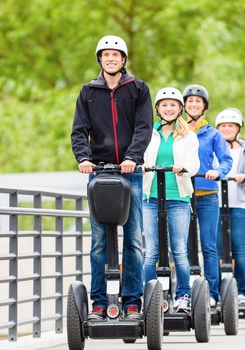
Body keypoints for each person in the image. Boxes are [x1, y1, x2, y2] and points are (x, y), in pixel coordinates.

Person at [70, 35, 153, 319]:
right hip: (99, 174)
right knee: (99, 242)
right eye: (106, 55)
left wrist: (132, 157)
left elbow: (144, 128)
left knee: (133, 240)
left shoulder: (139, 89)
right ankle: (99, 303)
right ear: (100, 60)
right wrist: (83, 158)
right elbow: (79, 130)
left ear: (123, 60)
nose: (110, 59)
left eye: (115, 55)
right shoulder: (88, 91)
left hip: (131, 173)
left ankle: (131, 302)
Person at [142, 87, 200, 312]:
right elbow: (138, 155)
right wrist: (141, 165)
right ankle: (150, 296)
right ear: (157, 108)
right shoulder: (148, 132)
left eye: (173, 105)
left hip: (178, 198)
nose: (168, 108)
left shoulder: (188, 136)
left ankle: (183, 296)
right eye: (164, 105)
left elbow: (194, 164)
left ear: (180, 109)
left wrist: (183, 168)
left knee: (179, 250)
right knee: (152, 252)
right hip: (151, 196)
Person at [183, 84, 233, 307]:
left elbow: (226, 160)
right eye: (190, 101)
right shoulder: (177, 130)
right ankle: (182, 293)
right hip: (183, 194)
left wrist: (218, 172)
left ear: (204, 106)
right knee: (182, 246)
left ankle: (212, 294)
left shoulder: (213, 133)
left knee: (209, 246)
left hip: (207, 195)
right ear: (184, 105)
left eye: (198, 101)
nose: (193, 104)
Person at [215, 108, 245, 306]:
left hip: (240, 203)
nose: (227, 129)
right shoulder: (213, 147)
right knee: (215, 249)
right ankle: (214, 292)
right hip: (215, 203)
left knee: (238, 247)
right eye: (223, 126)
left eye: (231, 126)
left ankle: (242, 291)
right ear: (218, 128)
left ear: (238, 128)